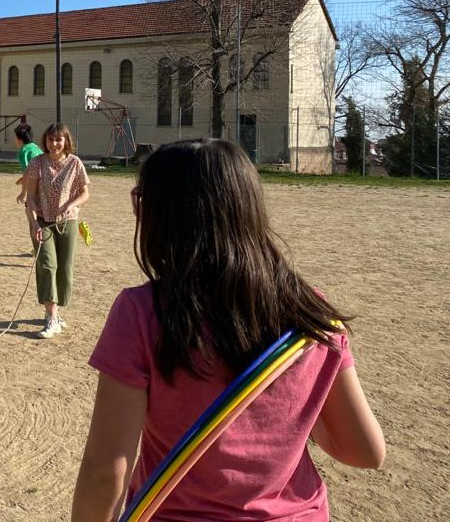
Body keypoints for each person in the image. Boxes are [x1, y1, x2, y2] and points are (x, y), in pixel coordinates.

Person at [71, 139, 385, 522]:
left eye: (140, 199)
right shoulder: (312, 313)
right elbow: (366, 450)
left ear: (160, 213)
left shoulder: (142, 312)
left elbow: (105, 471)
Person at [22, 122, 90, 339]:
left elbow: (85, 192)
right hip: (43, 222)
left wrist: (73, 205)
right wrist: (34, 224)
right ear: (45, 141)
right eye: (50, 139)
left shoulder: (75, 163)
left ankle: (57, 311)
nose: (54, 144)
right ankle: (51, 317)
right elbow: (30, 197)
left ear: (66, 141)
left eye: (58, 139)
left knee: (64, 268)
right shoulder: (37, 163)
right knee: (47, 265)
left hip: (67, 223)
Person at [14, 123, 43, 205]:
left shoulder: (23, 151)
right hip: (47, 182)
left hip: (39, 186)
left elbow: (28, 173)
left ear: (19, 139)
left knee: (29, 207)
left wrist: (23, 194)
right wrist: (23, 178)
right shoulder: (35, 147)